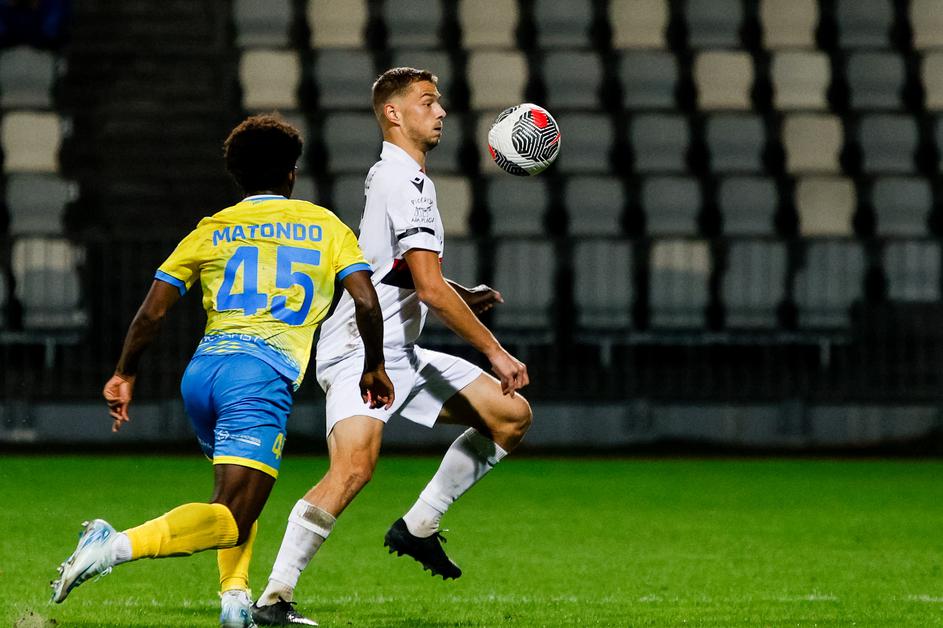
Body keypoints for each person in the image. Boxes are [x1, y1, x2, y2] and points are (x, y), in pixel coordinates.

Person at [49, 114, 394, 628]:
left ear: (237, 176)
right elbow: (366, 301)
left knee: (234, 496)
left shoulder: (213, 228)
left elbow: (152, 313)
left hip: (204, 373)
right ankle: (111, 546)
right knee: (233, 515)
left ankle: (235, 597)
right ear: (291, 173)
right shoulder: (324, 225)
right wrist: (374, 365)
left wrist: (124, 373)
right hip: (259, 375)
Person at [251, 68, 533, 626]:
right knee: (352, 470)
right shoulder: (402, 181)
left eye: (440, 102)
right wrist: (496, 352)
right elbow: (426, 287)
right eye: (427, 102)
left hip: (401, 350)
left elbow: (397, 269)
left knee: (510, 417)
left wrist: (459, 291)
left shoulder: (402, 178)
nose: (441, 111)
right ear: (393, 114)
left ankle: (419, 525)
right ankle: (274, 598)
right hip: (361, 352)